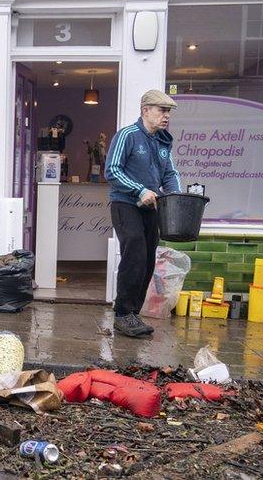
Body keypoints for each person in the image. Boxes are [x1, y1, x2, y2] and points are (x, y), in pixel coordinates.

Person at [105, 89, 181, 338]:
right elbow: (112, 171)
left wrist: (176, 197)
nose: (166, 116)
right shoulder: (127, 135)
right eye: (161, 110)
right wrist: (139, 190)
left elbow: (169, 174)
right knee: (135, 251)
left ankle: (132, 314)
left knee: (148, 259)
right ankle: (123, 313)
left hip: (151, 208)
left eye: (168, 111)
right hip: (125, 204)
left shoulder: (162, 141)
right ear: (145, 110)